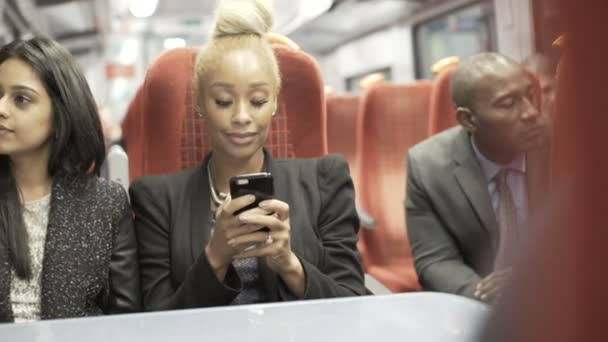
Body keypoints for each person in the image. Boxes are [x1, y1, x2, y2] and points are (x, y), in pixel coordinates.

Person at [129, 0, 366, 311]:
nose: (241, 116)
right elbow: (155, 323)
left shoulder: (326, 180)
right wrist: (215, 257)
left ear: (274, 104)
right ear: (200, 103)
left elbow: (354, 304)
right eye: (224, 101)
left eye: (257, 101)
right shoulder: (156, 199)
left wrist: (290, 265)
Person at [0, 37, 140, 323]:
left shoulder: (105, 203)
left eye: (21, 99)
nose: (1, 108)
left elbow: (124, 319)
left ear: (61, 111)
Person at [405, 52, 550, 303]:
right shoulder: (428, 165)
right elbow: (435, 260)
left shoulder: (564, 145)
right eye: (508, 104)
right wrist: (484, 291)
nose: (530, 112)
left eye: (530, 95)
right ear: (468, 119)